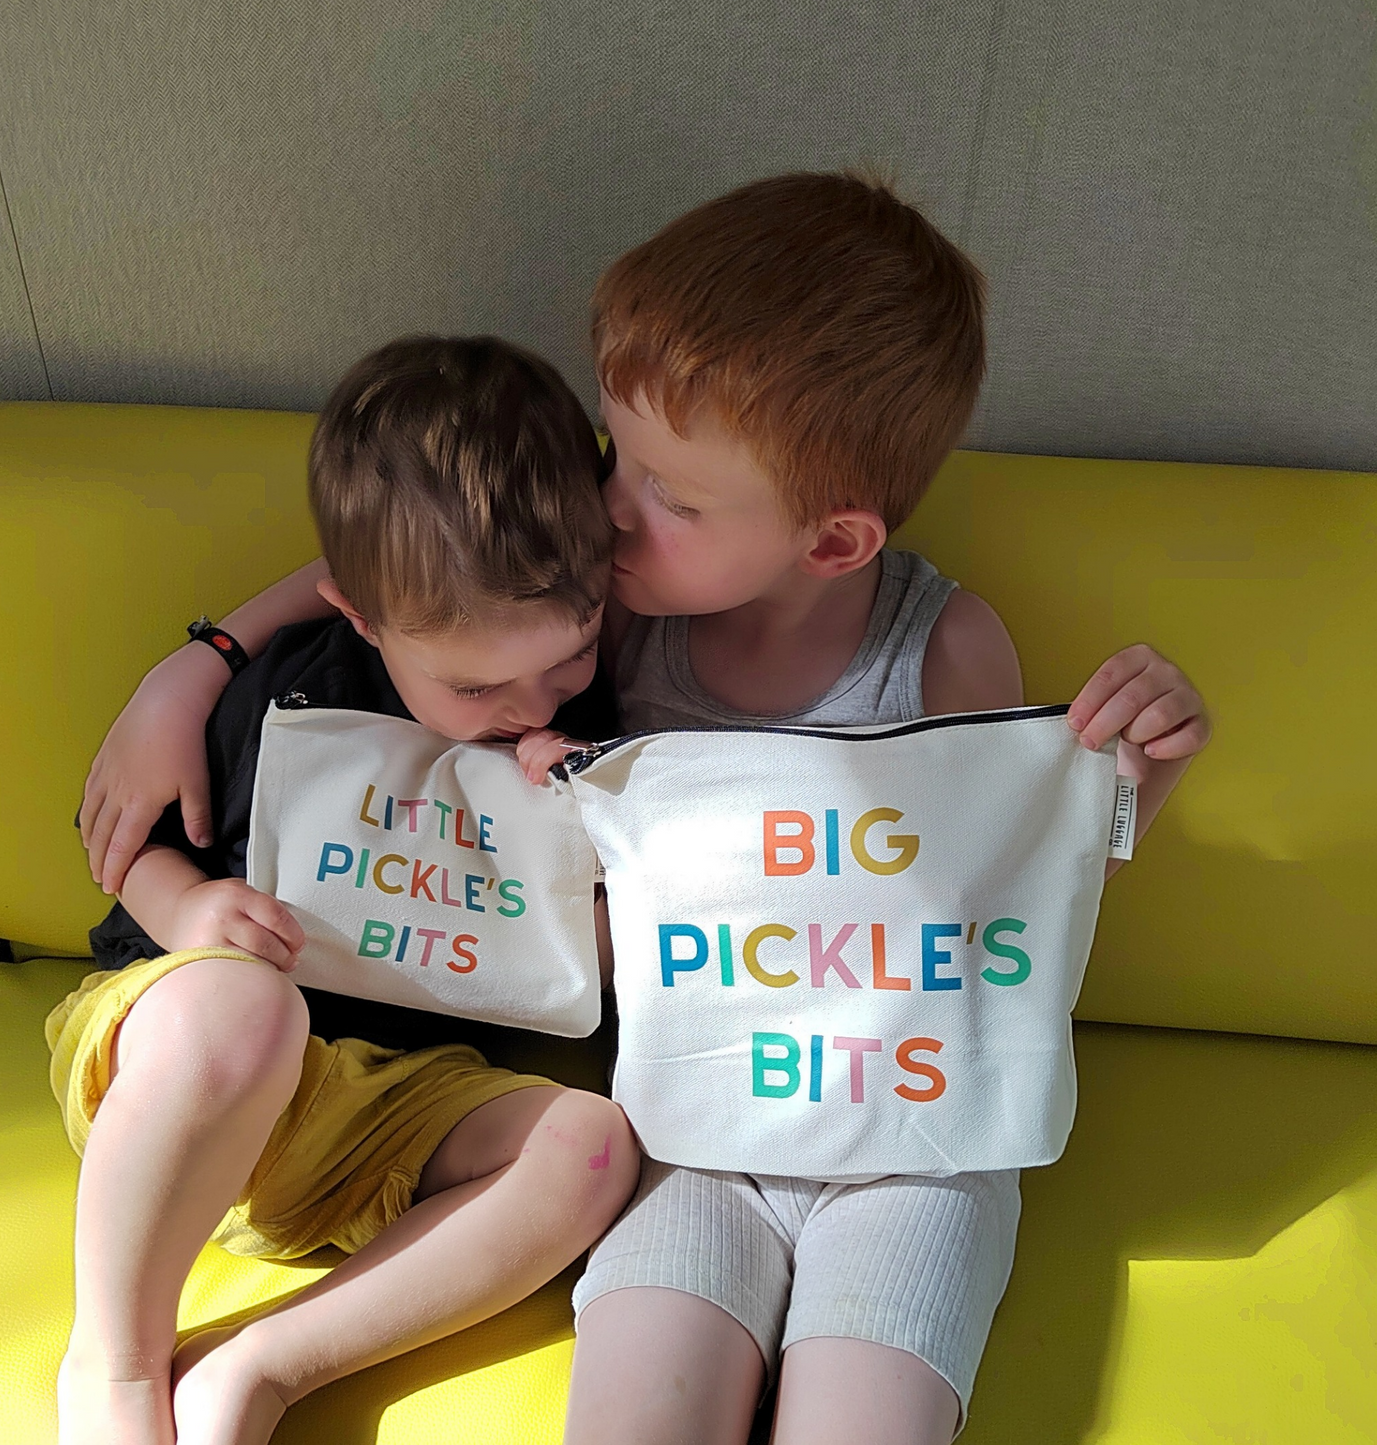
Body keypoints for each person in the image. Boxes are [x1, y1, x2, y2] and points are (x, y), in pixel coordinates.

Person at [81, 172, 1211, 1444]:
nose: (609, 507)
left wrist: (1123, 792)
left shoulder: (936, 647)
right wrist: (200, 664)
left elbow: (986, 919)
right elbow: (399, 575)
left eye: (670, 494)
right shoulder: (597, 614)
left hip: (909, 1142)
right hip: (688, 1128)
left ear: (830, 543)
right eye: (619, 456)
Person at [53, 335, 640, 1445]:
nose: (530, 701)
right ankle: (116, 1365)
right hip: (189, 1075)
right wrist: (186, 909)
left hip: (389, 1105)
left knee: (594, 1141)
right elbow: (124, 842)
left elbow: (602, 954)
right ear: (364, 620)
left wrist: (575, 834)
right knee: (245, 1004)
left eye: (566, 654)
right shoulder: (302, 685)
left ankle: (261, 1363)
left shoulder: (594, 719)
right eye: (474, 681)